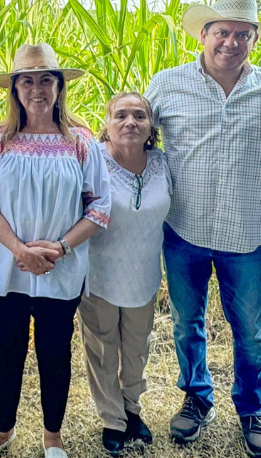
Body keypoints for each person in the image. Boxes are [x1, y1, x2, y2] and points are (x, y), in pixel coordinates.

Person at [145, 0, 261, 455]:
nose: (230, 42)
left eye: (242, 34)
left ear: (254, 40)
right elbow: (130, 130)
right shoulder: (167, 83)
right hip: (183, 229)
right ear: (203, 34)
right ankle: (197, 397)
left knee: (250, 329)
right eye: (222, 32)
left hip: (247, 233)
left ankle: (253, 408)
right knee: (185, 322)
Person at [0, 43, 111, 458]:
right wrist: (20, 250)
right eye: (27, 80)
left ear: (59, 86)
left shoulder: (80, 141)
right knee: (6, 349)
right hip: (8, 267)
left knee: (54, 351)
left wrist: (61, 248)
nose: (37, 89)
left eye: (46, 79)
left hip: (60, 269)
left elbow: (100, 206)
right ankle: (2, 430)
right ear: (14, 88)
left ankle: (53, 437)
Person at [81, 92, 170, 456]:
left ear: (151, 127)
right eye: (120, 115)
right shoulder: (91, 161)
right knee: (102, 349)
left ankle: (133, 410)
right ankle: (112, 419)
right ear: (107, 123)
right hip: (99, 274)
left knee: (136, 349)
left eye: (139, 116)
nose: (130, 122)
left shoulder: (163, 164)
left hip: (144, 275)